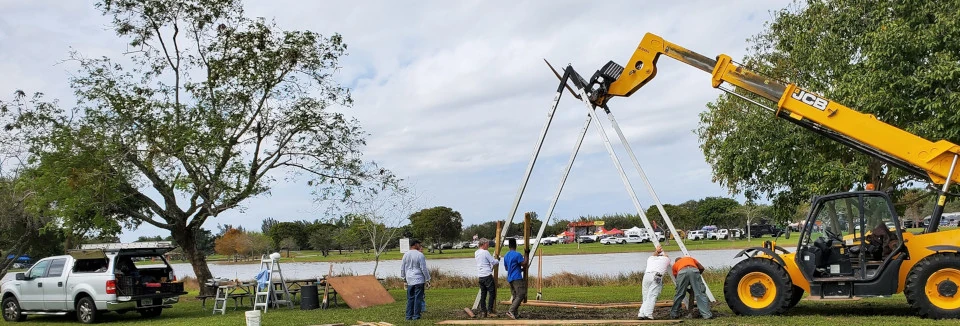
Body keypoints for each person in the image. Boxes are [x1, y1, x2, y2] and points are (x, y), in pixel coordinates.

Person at [638, 245, 671, 320]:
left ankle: (641, 313)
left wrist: (657, 251)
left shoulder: (650, 258)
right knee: (652, 295)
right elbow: (666, 256)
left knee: (645, 296)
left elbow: (654, 255)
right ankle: (648, 314)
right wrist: (663, 254)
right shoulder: (666, 259)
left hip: (646, 275)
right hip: (657, 275)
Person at [401, 239, 430, 320]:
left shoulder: (405, 254)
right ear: (415, 245)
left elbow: (402, 268)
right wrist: (427, 279)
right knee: (418, 298)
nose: (419, 246)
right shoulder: (420, 255)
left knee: (410, 298)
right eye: (418, 244)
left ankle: (408, 316)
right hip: (419, 279)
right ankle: (416, 316)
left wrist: (404, 278)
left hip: (409, 279)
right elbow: (423, 268)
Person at [502, 238, 527, 319]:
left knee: (515, 295)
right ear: (515, 245)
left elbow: (507, 268)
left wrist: (518, 269)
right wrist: (526, 254)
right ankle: (511, 311)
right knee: (521, 294)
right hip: (517, 278)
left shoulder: (506, 255)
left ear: (509, 246)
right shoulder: (517, 255)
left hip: (510, 278)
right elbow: (524, 263)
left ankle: (515, 314)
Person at [474, 238, 499, 318]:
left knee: (483, 294)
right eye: (487, 244)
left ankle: (483, 311)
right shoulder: (485, 252)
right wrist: (498, 259)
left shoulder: (476, 252)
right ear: (484, 244)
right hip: (487, 275)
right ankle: (490, 311)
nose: (488, 245)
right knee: (492, 293)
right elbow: (493, 262)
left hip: (480, 276)